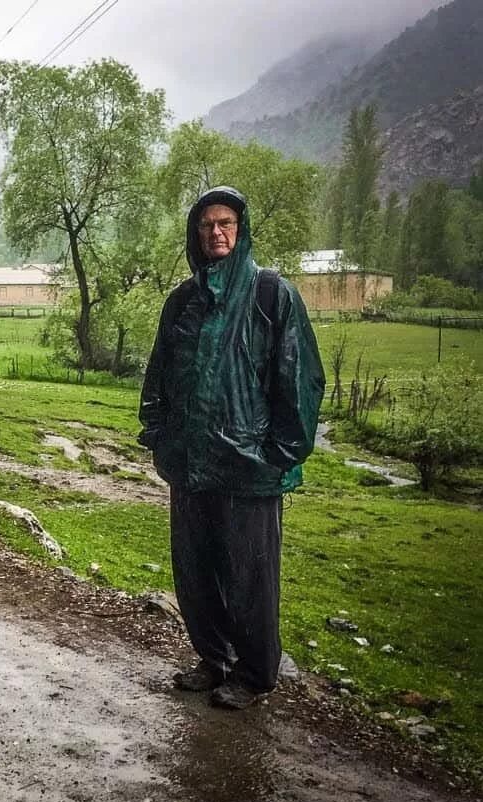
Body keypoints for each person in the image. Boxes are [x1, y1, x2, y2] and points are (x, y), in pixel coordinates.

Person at [138, 186, 325, 709]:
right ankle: (212, 658)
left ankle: (256, 674)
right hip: (191, 461)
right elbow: (160, 375)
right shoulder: (183, 300)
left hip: (250, 469)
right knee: (195, 570)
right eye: (206, 225)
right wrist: (157, 433)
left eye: (226, 223)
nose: (216, 232)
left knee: (249, 575)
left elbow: (300, 377)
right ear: (195, 235)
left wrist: (281, 454)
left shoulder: (271, 293)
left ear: (240, 231)